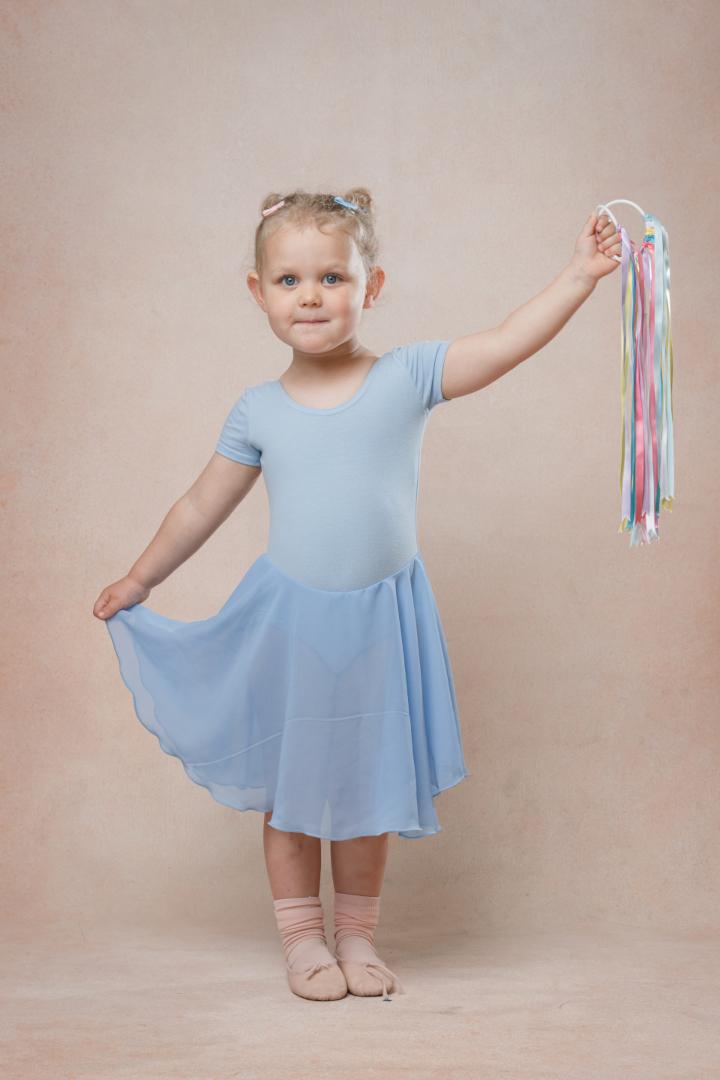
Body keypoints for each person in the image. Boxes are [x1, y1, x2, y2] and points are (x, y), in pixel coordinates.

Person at [92, 188, 620, 1003]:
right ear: (258, 292)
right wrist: (140, 577)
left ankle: (360, 936)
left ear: (371, 288)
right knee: (294, 792)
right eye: (291, 280)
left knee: (371, 786)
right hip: (292, 622)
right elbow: (201, 504)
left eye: (333, 277)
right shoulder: (259, 409)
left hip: (383, 620)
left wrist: (580, 276)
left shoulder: (405, 377)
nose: (312, 296)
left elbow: (507, 343)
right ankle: (304, 940)